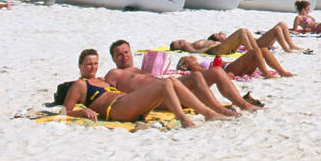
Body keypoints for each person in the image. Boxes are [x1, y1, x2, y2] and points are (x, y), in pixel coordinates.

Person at [60, 49, 232, 127]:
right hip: (116, 109)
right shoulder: (80, 84)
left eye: (95, 63)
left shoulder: (101, 79)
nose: (92, 67)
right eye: (88, 64)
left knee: (171, 80)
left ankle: (208, 112)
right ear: (80, 65)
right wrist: (80, 112)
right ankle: (186, 119)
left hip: (129, 106)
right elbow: (63, 112)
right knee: (164, 83)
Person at [105, 39, 260, 114]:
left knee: (217, 71)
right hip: (160, 97)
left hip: (174, 88)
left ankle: (243, 104)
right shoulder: (114, 73)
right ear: (113, 58)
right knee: (195, 76)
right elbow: (107, 94)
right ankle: (218, 110)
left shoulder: (139, 69)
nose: (124, 56)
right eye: (119, 54)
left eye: (126, 52)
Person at [170, 29, 294, 77]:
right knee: (256, 51)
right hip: (230, 68)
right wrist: (228, 74)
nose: (189, 56)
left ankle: (281, 71)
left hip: (233, 66)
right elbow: (210, 74)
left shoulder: (196, 63)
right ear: (185, 65)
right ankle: (266, 73)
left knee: (263, 50)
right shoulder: (194, 67)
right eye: (186, 58)